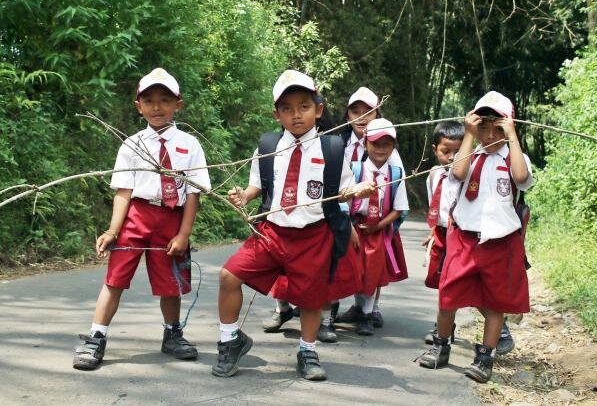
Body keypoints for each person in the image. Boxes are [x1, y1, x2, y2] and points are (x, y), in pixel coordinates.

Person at [212, 70, 374, 381]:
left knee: (312, 298)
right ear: (276, 114)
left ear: (319, 110)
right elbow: (257, 187)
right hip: (271, 233)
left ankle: (307, 350)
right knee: (229, 275)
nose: (296, 114)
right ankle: (229, 340)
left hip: (313, 235)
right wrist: (242, 196)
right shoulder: (267, 146)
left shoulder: (332, 149)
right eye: (287, 108)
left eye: (304, 106)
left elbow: (343, 191)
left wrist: (359, 190)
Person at [72, 68, 211, 370]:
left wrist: (184, 234)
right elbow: (123, 191)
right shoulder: (131, 144)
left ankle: (172, 333)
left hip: (172, 219)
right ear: (139, 106)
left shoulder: (190, 145)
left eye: (164, 100)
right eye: (149, 100)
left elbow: (193, 195)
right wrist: (112, 230)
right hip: (136, 216)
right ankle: (97, 337)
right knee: (115, 279)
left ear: (178, 105)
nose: (157, 107)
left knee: (170, 284)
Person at [417, 91, 533, 383]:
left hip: (500, 241)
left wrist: (512, 136)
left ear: (508, 126)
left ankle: (485, 357)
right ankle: (441, 345)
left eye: (497, 126)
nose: (489, 133)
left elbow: (521, 179)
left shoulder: (515, 157)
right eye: (483, 125)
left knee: (495, 304)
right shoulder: (470, 154)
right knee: (449, 296)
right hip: (465, 238)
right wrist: (469, 134)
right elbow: (456, 174)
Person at [422, 121, 516, 354]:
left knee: (467, 287)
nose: (453, 157)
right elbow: (436, 207)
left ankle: (500, 329)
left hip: (461, 235)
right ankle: (444, 329)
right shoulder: (433, 175)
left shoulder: (470, 166)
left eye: (457, 151)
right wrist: (433, 231)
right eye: (446, 152)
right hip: (443, 235)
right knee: (445, 285)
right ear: (435, 150)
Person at [343, 118, 408, 336]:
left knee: (371, 272)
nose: (381, 149)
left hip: (376, 231)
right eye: (375, 144)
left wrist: (378, 225)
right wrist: (348, 227)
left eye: (386, 144)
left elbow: (399, 209)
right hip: (353, 227)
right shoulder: (354, 170)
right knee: (345, 269)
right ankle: (332, 312)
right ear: (365, 144)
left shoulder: (396, 175)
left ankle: (367, 314)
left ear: (393, 146)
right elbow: (343, 199)